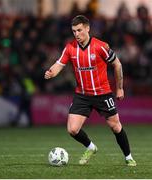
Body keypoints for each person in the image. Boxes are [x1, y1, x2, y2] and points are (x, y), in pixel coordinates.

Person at [44, 15, 136, 166]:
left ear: (87, 28)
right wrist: (51, 72)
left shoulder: (100, 46)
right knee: (72, 129)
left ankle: (128, 157)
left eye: (79, 30)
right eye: (74, 31)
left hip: (103, 93)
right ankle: (91, 147)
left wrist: (119, 88)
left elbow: (117, 64)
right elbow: (59, 64)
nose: (76, 34)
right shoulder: (70, 48)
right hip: (82, 95)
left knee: (115, 126)